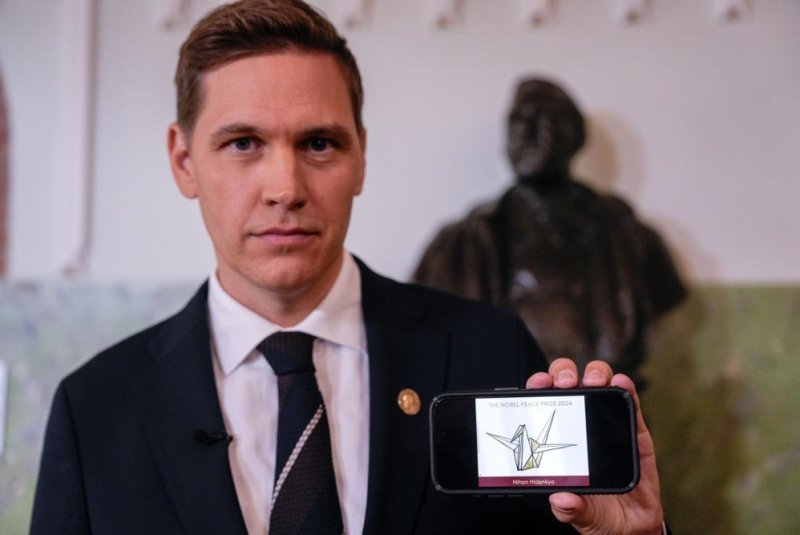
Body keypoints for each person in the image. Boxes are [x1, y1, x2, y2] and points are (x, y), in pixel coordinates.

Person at [30, 1, 666, 533]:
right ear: (184, 160)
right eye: (243, 143)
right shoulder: (97, 410)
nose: (286, 187)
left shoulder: (488, 351)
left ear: (360, 157)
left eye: (319, 143)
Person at [413, 78, 686, 385]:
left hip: (603, 407)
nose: (528, 133)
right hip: (502, 418)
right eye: (518, 121)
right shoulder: (459, 245)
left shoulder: (632, 239)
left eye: (547, 118)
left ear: (575, 135)